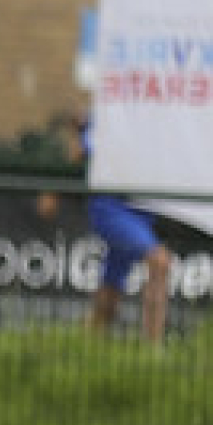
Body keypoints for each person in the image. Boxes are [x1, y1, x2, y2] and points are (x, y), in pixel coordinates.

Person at [38, 116, 173, 343]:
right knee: (160, 262)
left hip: (144, 212)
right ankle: (154, 352)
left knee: (109, 297)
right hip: (111, 208)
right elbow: (81, 151)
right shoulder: (113, 111)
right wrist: (52, 193)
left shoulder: (163, 116)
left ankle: (75, 345)